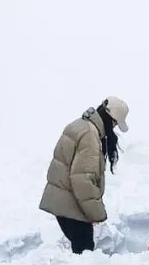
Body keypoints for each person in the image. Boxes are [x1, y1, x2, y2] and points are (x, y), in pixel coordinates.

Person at [39, 96, 130, 253]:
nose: (113, 129)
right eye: (115, 125)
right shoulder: (90, 136)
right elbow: (83, 180)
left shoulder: (81, 125)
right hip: (72, 207)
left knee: (82, 256)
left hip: (65, 203)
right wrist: (97, 214)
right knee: (85, 257)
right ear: (111, 119)